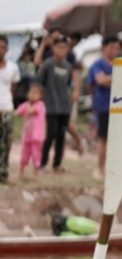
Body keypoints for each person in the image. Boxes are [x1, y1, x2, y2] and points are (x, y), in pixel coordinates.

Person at [36, 34, 77, 173]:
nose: (62, 50)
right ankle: (42, 164)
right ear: (53, 48)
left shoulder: (68, 66)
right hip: (51, 106)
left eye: (64, 47)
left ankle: (57, 165)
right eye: (59, 47)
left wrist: (73, 93)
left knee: (61, 135)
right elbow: (38, 82)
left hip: (65, 107)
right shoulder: (48, 64)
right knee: (50, 134)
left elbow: (71, 85)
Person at [86, 34, 122, 178]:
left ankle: (114, 170)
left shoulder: (120, 63)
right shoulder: (97, 64)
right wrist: (116, 78)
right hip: (103, 106)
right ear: (104, 48)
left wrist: (110, 79)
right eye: (111, 47)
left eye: (117, 48)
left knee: (117, 141)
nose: (114, 50)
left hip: (119, 107)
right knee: (103, 139)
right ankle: (100, 169)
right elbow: (99, 81)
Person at [0, 35, 21, 184]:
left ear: (7, 49)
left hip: (7, 108)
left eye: (3, 47)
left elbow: (13, 89)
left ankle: (3, 173)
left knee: (6, 142)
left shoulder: (13, 67)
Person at [15, 82, 46, 179]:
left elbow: (31, 111)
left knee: (36, 154)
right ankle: (21, 171)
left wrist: (26, 106)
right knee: (24, 154)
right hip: (27, 135)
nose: (33, 95)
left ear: (40, 96)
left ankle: (36, 172)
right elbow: (17, 112)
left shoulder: (40, 105)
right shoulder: (25, 104)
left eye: (36, 93)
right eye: (31, 92)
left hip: (37, 136)